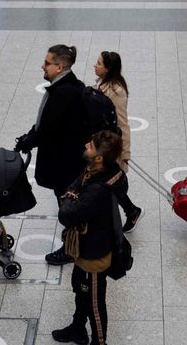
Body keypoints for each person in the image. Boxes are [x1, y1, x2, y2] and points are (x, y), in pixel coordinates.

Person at [15, 43, 88, 265]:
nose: (43, 66)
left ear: (59, 66)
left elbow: (47, 129)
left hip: (65, 163)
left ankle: (71, 248)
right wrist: (29, 136)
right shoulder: (70, 85)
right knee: (68, 201)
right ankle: (74, 240)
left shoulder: (63, 93)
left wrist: (28, 141)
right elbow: (44, 124)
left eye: (47, 63)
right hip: (70, 160)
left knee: (67, 204)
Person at [51, 130, 125, 345]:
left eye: (91, 145)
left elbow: (66, 214)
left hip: (94, 254)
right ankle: (77, 328)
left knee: (94, 301)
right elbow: (73, 187)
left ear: (99, 157)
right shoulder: (99, 170)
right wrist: (72, 195)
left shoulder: (97, 190)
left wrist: (69, 197)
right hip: (86, 248)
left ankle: (99, 342)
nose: (86, 145)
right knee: (80, 289)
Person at [93, 52, 141, 232]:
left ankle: (131, 211)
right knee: (109, 181)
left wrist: (125, 153)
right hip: (101, 142)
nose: (94, 65)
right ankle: (130, 210)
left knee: (111, 181)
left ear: (108, 68)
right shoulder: (102, 84)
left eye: (98, 63)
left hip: (111, 147)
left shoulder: (116, 91)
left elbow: (123, 124)